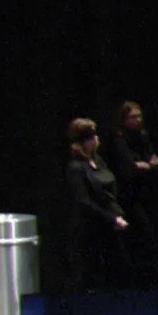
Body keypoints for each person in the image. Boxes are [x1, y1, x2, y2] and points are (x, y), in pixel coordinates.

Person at [63, 117, 131, 292]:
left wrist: (117, 214)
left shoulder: (98, 161)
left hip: (107, 227)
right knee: (89, 278)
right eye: (91, 137)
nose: (96, 140)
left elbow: (107, 192)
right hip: (88, 231)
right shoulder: (75, 167)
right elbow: (84, 201)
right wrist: (111, 219)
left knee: (117, 273)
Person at [101, 101, 158, 283]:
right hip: (126, 196)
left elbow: (154, 161)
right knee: (136, 234)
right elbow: (128, 167)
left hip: (145, 194)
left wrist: (147, 166)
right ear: (123, 119)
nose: (138, 120)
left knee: (150, 234)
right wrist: (142, 166)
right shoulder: (118, 140)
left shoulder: (143, 137)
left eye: (140, 116)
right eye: (133, 117)